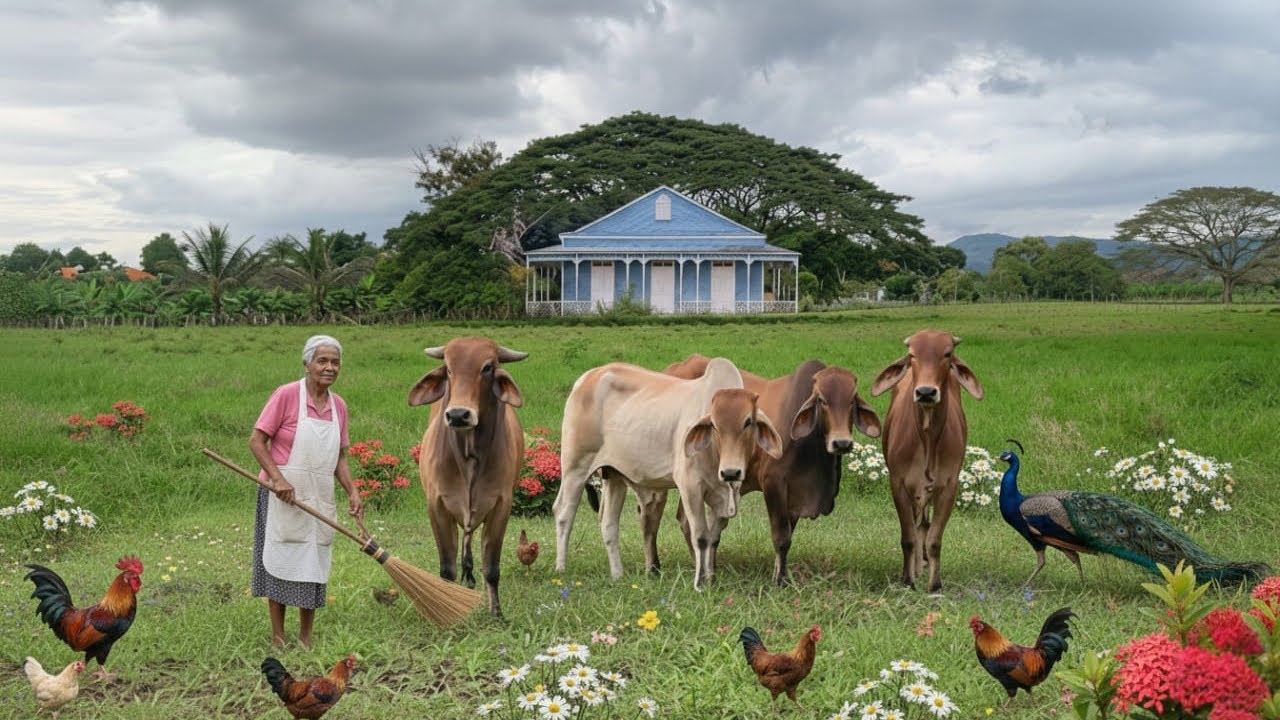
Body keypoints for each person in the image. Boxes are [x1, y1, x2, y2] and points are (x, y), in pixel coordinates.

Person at [249, 335, 362, 648]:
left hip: (319, 496)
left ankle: (306, 638)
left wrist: (352, 490)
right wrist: (278, 479)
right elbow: (257, 441)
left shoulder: (338, 406)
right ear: (307, 364)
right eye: (322, 361)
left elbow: (339, 456)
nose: (329, 367)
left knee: (313, 562)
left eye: (335, 362)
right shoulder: (286, 395)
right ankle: (278, 637)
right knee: (280, 557)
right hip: (281, 494)